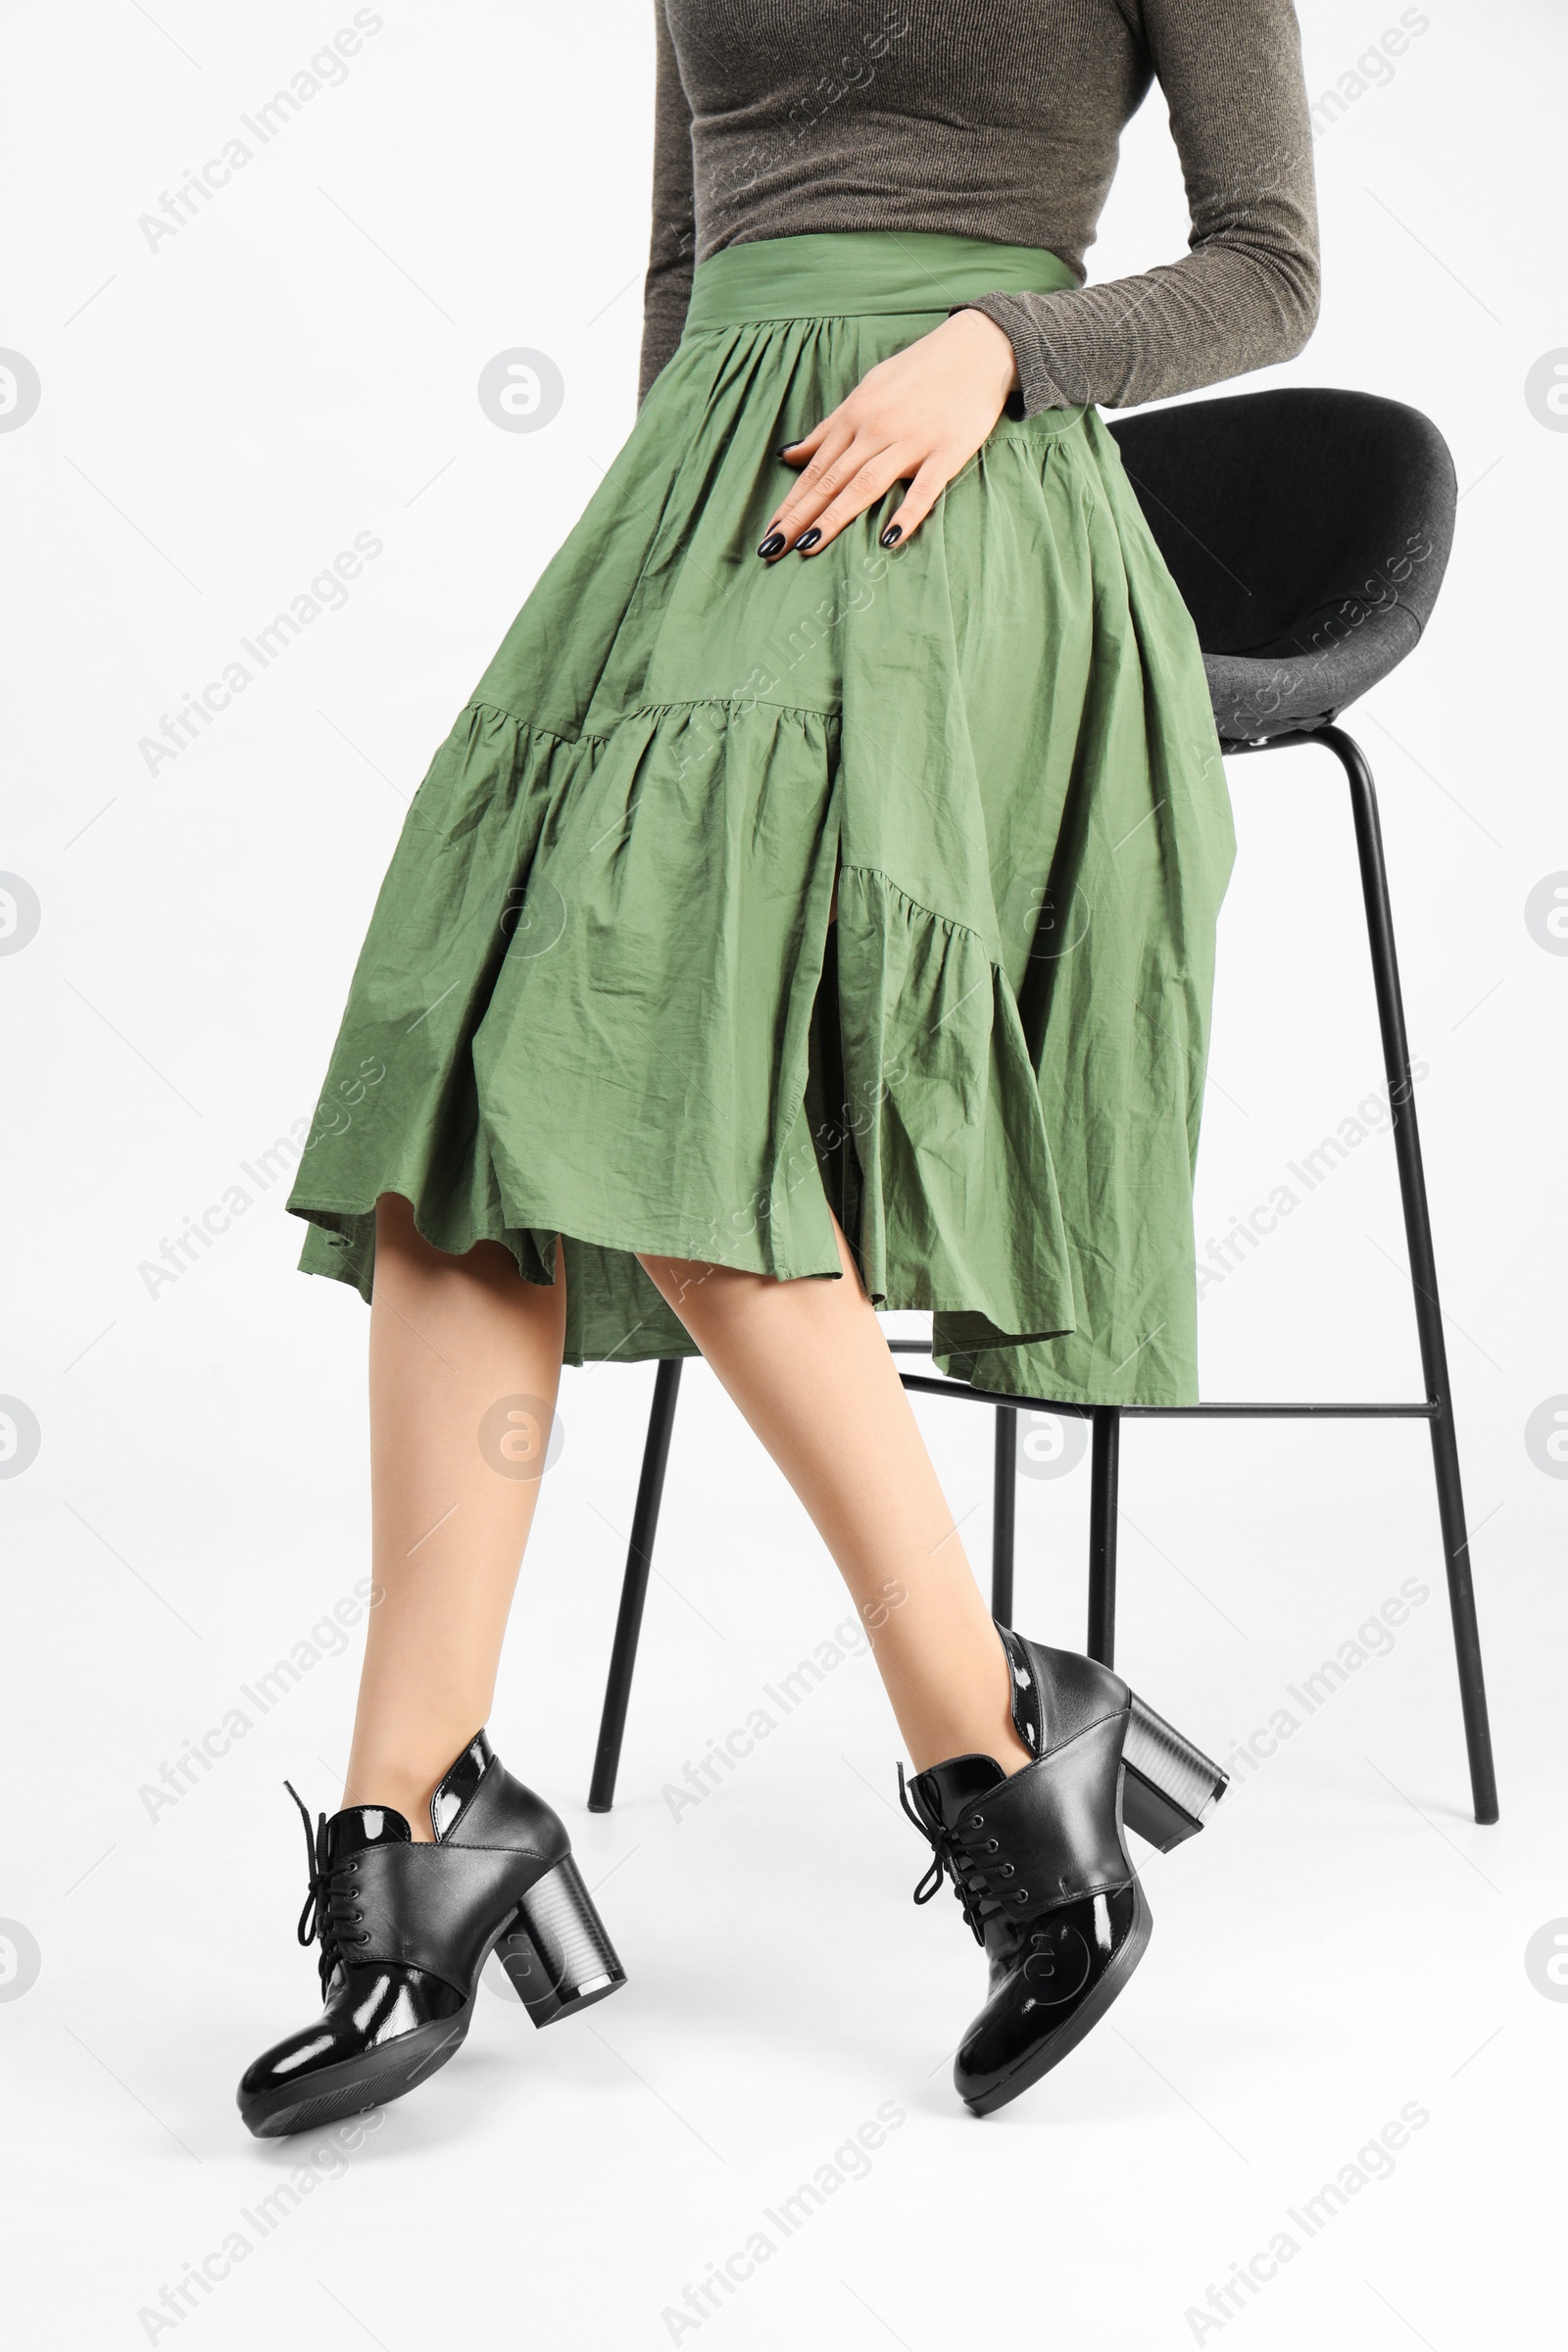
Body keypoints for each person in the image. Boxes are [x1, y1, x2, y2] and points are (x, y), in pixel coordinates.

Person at [237, 0, 1319, 2138]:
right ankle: (418, 1798)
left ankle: (983, 1739)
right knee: (453, 1084)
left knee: (642, 1064)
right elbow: (679, 259)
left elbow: (1267, 266)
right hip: (708, 500)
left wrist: (1005, 347)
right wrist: (671, 588)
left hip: (975, 492)